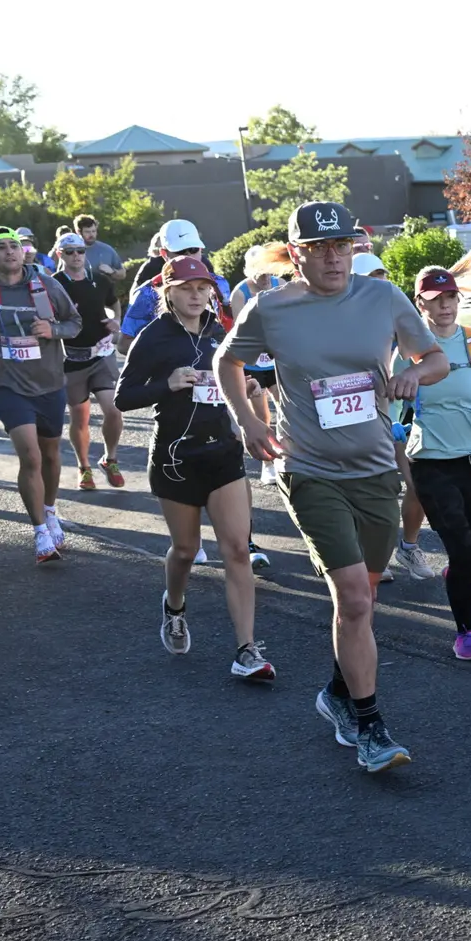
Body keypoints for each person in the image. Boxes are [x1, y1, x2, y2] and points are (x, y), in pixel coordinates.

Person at [215, 201, 448, 774]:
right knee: (356, 597)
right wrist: (249, 423)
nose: (332, 257)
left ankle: (337, 694)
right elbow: (227, 363)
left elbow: (436, 357)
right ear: (295, 254)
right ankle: (369, 726)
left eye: (341, 245)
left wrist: (415, 372)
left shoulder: (383, 298)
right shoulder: (272, 310)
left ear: (355, 249)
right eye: (318, 248)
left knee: (360, 605)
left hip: (375, 471)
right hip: (310, 471)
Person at [114, 254, 274, 681]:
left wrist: (248, 385)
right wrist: (166, 384)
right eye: (186, 288)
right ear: (168, 292)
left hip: (222, 452)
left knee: (238, 549)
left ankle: (247, 651)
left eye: (202, 288)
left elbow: (232, 377)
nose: (196, 295)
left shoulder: (219, 332)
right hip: (175, 458)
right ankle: (174, 605)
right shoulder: (153, 337)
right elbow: (122, 397)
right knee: (185, 551)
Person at [0, 226, 83, 564]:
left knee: (51, 455)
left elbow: (74, 322)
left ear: (23, 252)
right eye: (1, 248)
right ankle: (41, 532)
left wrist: (52, 330)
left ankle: (50, 510)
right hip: (7, 386)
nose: (10, 252)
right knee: (31, 457)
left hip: (49, 384)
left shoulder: (47, 286)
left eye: (14, 246)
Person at [395, 266, 471, 660]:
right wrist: (393, 424)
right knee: (460, 549)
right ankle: (465, 634)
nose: (446, 305)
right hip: (431, 461)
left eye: (451, 297)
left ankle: (457, 580)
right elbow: (392, 401)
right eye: (436, 298)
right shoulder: (406, 352)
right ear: (419, 302)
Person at [355, 251, 437, 581]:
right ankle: (365, 557)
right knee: (367, 490)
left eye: (382, 278)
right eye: (371, 280)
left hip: (395, 419)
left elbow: (429, 359)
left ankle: (408, 545)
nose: (380, 286)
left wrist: (411, 377)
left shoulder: (394, 316)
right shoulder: (334, 323)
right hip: (350, 422)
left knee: (417, 485)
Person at [51, 232, 127, 491]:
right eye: (70, 251)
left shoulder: (99, 280)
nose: (76, 256)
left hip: (103, 354)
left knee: (114, 410)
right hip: (72, 359)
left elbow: (114, 303)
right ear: (60, 254)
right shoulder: (54, 284)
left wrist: (115, 321)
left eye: (80, 251)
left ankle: (110, 458)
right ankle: (84, 467)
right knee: (80, 417)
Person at [227, 244, 288, 487]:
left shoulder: (281, 285)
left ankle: (291, 453)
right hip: (253, 363)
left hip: (277, 359)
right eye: (259, 272)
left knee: (288, 405)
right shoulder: (240, 294)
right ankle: (268, 463)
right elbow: (241, 335)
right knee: (262, 414)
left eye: (267, 271)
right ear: (247, 270)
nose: (264, 277)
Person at [122, 219, 222, 341]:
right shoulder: (147, 293)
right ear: (164, 253)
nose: (188, 255)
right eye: (180, 251)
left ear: (201, 249)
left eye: (193, 249)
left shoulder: (220, 284)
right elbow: (124, 343)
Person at [74, 214, 124, 281]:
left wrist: (112, 272)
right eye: (87, 232)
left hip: (104, 290)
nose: (91, 235)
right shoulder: (71, 252)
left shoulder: (107, 250)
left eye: (93, 231)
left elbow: (123, 274)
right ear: (79, 232)